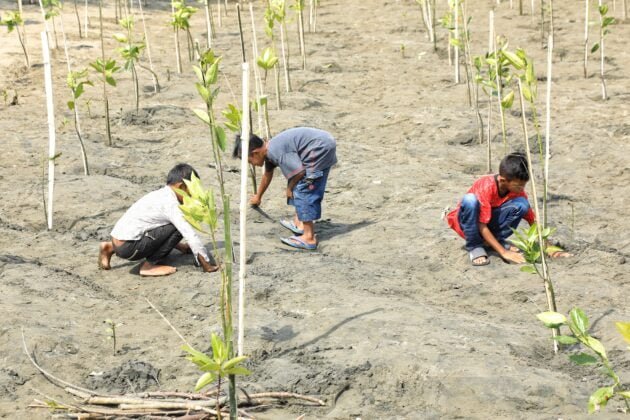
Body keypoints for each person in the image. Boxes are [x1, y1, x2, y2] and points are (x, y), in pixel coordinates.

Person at [98, 163, 218, 276]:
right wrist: (206, 263)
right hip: (129, 248)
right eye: (191, 191)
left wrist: (180, 247)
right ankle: (149, 266)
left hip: (119, 239)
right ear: (181, 186)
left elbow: (153, 224)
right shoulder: (171, 205)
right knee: (178, 226)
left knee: (165, 223)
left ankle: (109, 248)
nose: (192, 195)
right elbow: (189, 233)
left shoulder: (160, 194)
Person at [233, 127, 337, 250]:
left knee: (304, 187)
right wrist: (258, 197)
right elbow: (267, 174)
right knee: (297, 182)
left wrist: (289, 188)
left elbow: (300, 172)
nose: (253, 165)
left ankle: (308, 237)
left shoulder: (275, 151)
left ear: (255, 152)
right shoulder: (269, 150)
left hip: (319, 147)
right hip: (321, 143)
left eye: (250, 161)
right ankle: (300, 222)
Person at [446, 153, 535, 266]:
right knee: (470, 200)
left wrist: (546, 244)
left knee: (522, 204)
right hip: (469, 224)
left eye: (524, 185)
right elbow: (481, 224)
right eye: (519, 186)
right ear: (503, 181)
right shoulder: (486, 187)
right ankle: (475, 246)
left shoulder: (516, 190)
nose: (522, 189)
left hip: (488, 223)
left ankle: (492, 241)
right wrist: (504, 252)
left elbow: (531, 217)